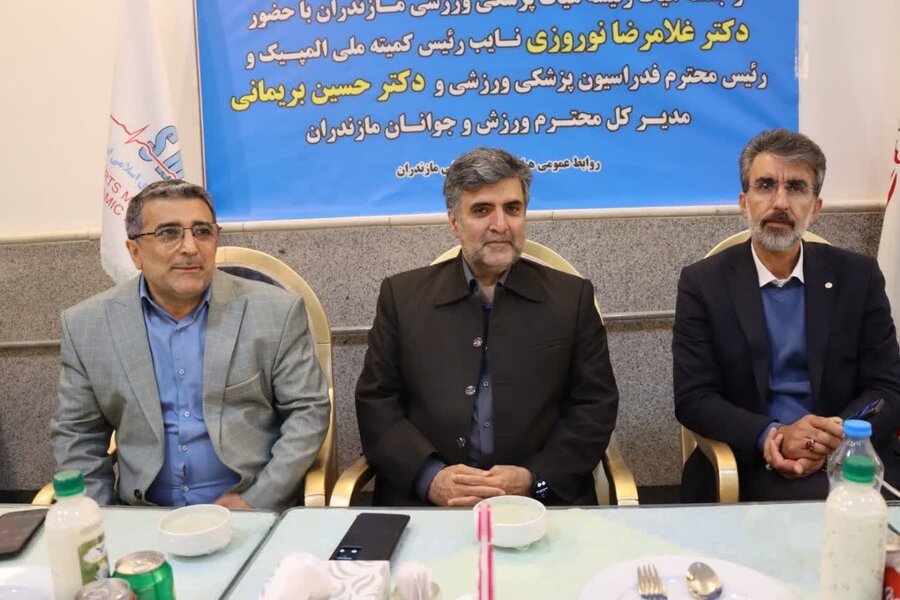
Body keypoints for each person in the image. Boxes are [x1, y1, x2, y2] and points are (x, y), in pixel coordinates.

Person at [355, 147, 619, 506]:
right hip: (428, 505)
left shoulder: (571, 299)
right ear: (454, 222)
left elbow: (594, 407)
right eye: (481, 210)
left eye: (512, 208)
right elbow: (376, 405)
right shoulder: (401, 298)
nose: (500, 225)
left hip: (542, 504)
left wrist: (534, 478)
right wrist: (430, 478)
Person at [51, 180, 330, 512]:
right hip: (143, 518)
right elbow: (78, 436)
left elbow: (308, 412)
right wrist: (101, 521)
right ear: (135, 252)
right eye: (169, 233)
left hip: (248, 511)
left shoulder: (275, 312)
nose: (190, 247)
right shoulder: (88, 325)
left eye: (202, 231)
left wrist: (255, 502)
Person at [673, 129, 900, 502]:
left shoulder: (859, 277)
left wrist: (832, 438)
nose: (780, 202)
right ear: (744, 202)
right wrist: (773, 435)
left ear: (816, 207)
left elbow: (887, 387)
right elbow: (694, 397)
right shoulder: (703, 283)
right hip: (748, 461)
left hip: (846, 456)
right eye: (765, 185)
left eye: (796, 187)